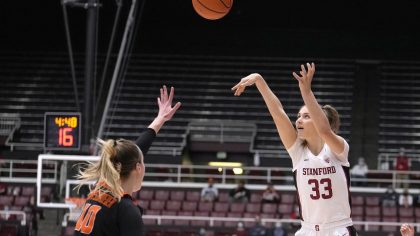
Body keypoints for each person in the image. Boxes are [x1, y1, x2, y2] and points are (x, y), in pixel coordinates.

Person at [232, 63, 358, 236]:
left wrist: (306, 92)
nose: (298, 120)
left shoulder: (339, 149)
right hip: (307, 230)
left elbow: (324, 131)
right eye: (298, 116)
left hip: (339, 229)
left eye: (306, 116)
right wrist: (259, 81)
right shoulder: (298, 152)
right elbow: (278, 113)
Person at [74, 86, 181, 236]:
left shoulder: (101, 189)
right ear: (138, 167)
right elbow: (133, 153)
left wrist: (159, 120)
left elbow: (133, 152)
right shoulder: (127, 211)